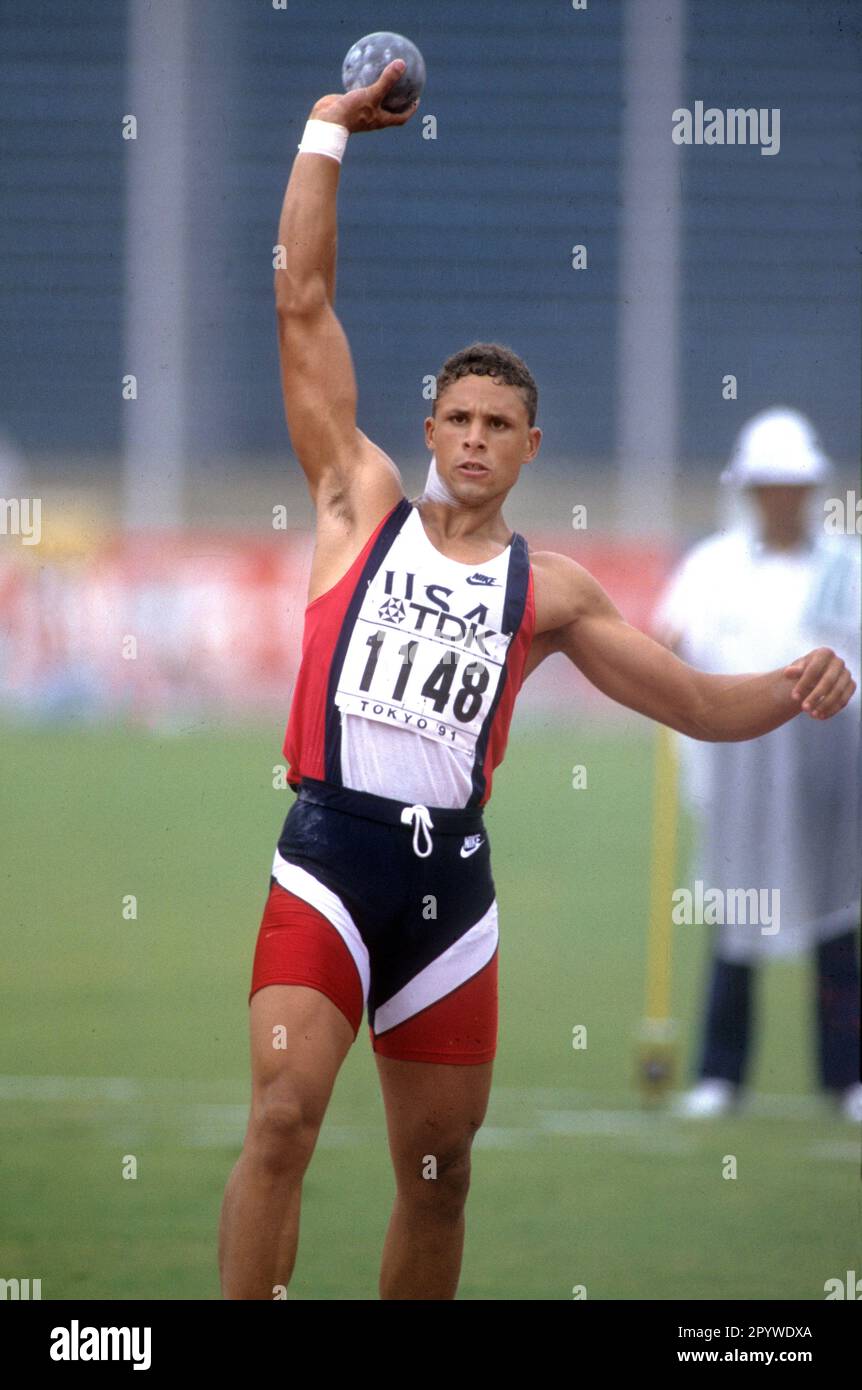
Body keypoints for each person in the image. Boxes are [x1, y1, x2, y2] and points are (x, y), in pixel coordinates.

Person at [217, 63, 857, 1299]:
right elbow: (300, 301)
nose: (470, 438)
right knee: (284, 1118)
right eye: (454, 417)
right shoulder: (359, 506)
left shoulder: (548, 591)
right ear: (428, 428)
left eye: (495, 425)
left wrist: (799, 680)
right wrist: (325, 130)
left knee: (441, 1168)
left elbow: (699, 705)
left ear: (528, 447)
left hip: (448, 889)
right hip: (329, 856)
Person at [652, 409, 861, 1122]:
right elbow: (672, 645)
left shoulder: (846, 565)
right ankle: (721, 1075)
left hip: (828, 769)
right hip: (738, 767)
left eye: (794, 485)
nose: (783, 497)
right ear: (750, 489)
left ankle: (847, 1078)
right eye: (770, 485)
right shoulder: (711, 565)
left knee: (834, 914)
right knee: (738, 912)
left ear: (811, 488)